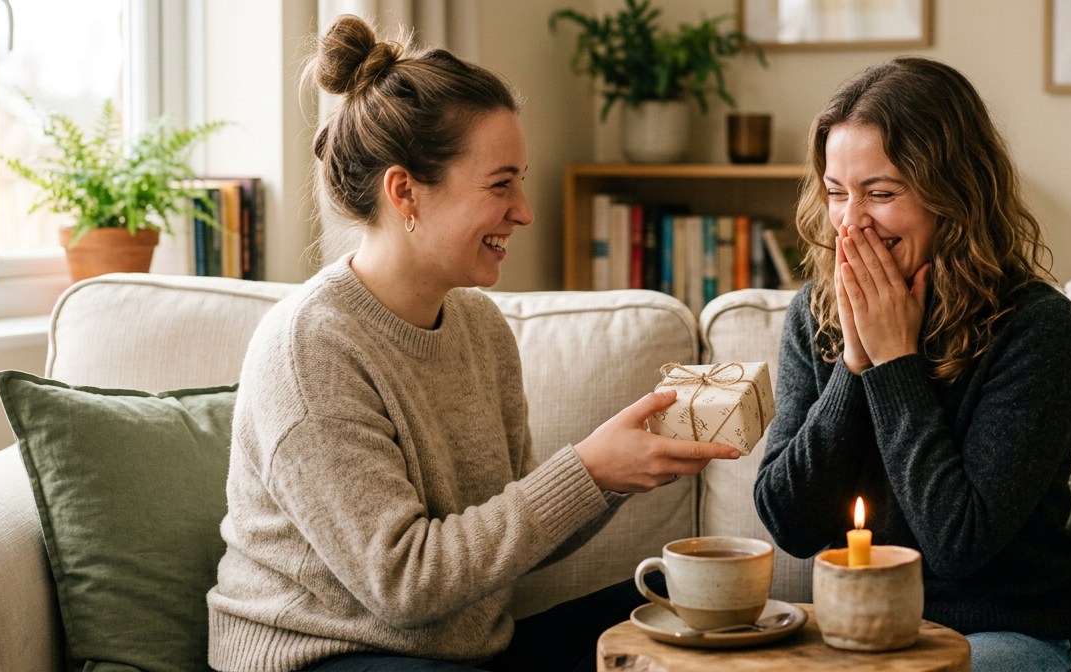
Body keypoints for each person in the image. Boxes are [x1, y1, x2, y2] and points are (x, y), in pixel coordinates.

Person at [206, 16, 739, 672]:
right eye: (500, 184)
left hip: (457, 651)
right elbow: (403, 584)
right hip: (321, 654)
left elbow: (507, 546)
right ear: (404, 191)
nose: (525, 211)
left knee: (684, 633)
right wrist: (589, 469)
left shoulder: (480, 330)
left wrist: (617, 473)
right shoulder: (312, 347)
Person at [753, 57, 1071, 672]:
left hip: (1003, 639)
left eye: (880, 193)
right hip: (852, 641)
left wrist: (893, 364)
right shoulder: (816, 314)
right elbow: (790, 523)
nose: (851, 222)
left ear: (955, 195)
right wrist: (853, 367)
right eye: (836, 193)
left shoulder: (1039, 328)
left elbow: (958, 543)